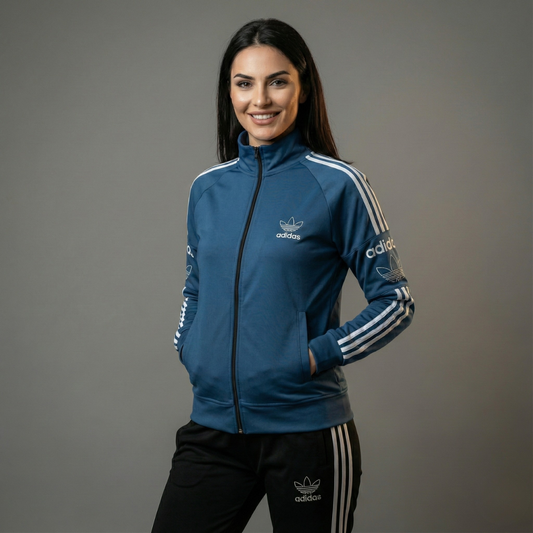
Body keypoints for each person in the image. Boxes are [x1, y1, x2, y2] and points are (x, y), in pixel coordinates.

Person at [152, 18, 414, 533]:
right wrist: (189, 345)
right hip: (213, 430)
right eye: (244, 83)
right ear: (229, 92)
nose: (260, 99)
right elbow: (195, 286)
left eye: (277, 81)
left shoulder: (339, 185)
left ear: (303, 87)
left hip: (306, 432)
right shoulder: (207, 189)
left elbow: (396, 301)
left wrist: (314, 355)